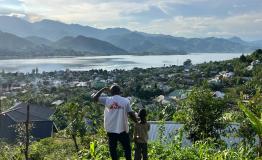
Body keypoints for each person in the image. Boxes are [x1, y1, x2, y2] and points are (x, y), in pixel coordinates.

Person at [93, 84, 138, 160]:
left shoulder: (107, 100)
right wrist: (137, 122)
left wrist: (103, 89)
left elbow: (94, 99)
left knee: (113, 149)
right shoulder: (125, 101)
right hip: (123, 129)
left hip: (111, 129)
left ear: (111, 92)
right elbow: (131, 114)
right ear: (119, 92)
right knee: (127, 148)